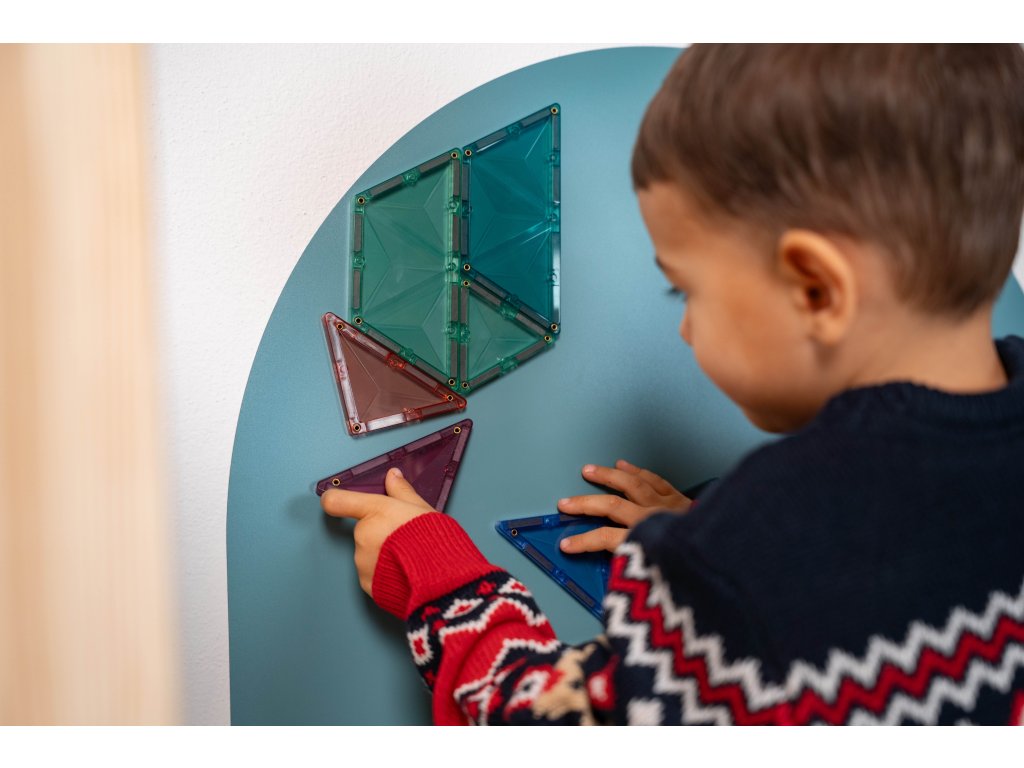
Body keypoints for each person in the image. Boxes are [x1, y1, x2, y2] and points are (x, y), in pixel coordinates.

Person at [321, 44, 1024, 725]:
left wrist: (441, 583)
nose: (685, 329)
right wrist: (723, 543)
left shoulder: (753, 564)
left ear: (815, 289)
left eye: (685, 290)